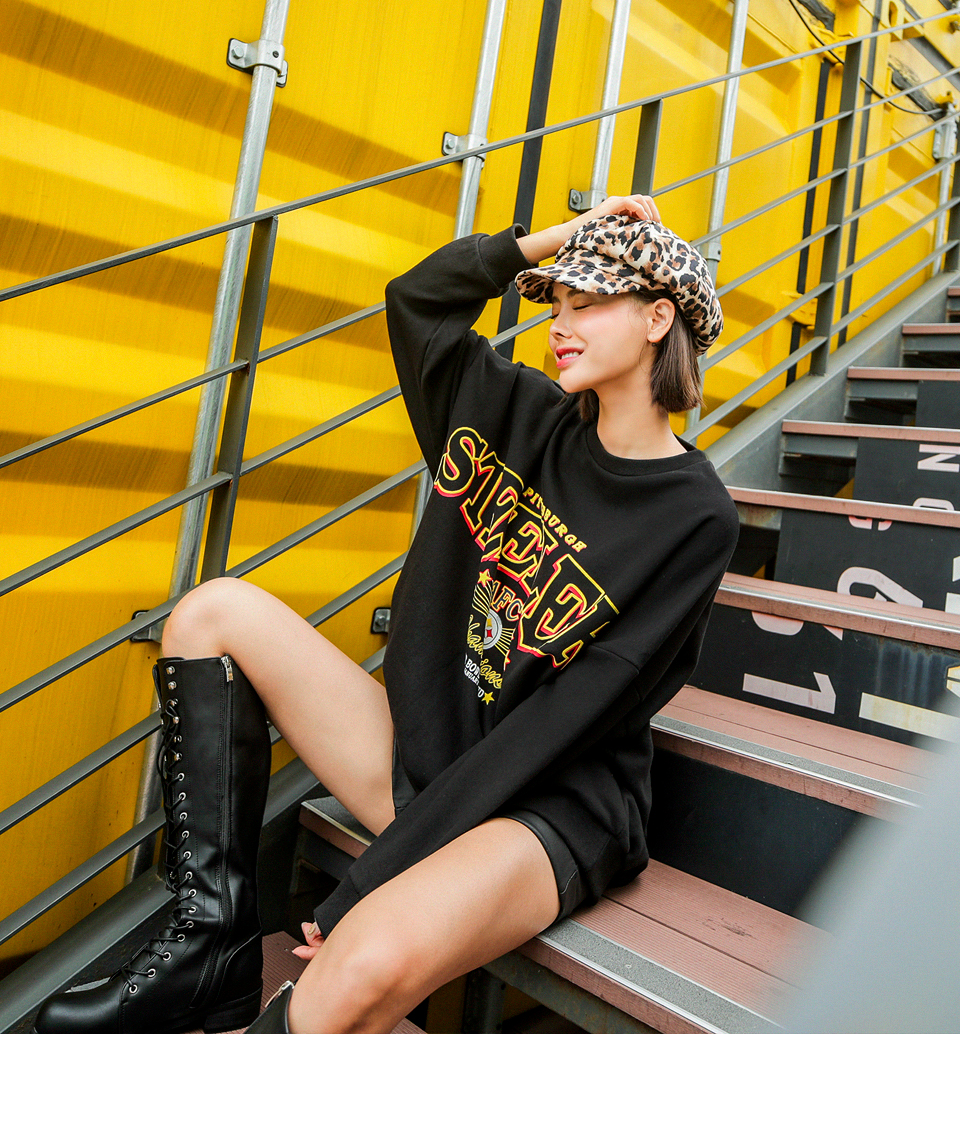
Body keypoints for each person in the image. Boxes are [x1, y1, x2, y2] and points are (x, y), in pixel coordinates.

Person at [35, 195, 739, 1035]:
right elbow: (416, 301)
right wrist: (551, 242)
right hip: (431, 761)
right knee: (210, 614)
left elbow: (560, 723)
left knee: (355, 968)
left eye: (586, 302)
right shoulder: (510, 408)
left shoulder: (694, 517)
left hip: (545, 809)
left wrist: (370, 883)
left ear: (658, 319)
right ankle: (209, 950)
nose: (559, 323)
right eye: (556, 301)